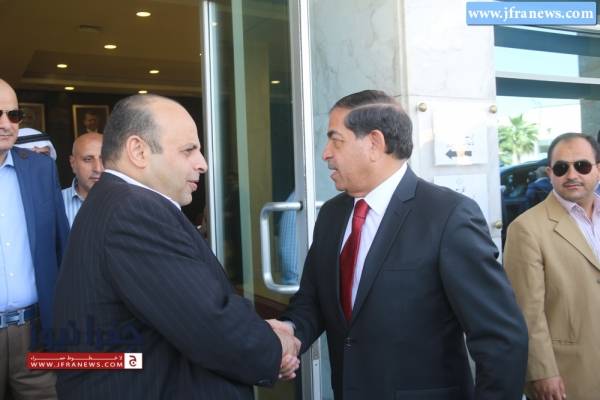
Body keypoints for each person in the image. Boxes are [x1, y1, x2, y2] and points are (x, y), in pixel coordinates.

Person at [270, 90, 528, 399]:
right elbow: (313, 300)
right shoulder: (331, 215)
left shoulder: (447, 216)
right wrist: (291, 331)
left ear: (374, 143)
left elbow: (500, 338)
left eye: (336, 141)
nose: (326, 153)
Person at [53, 94, 299, 400]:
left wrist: (260, 333)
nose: (203, 164)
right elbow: (207, 322)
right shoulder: (134, 211)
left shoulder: (115, 200)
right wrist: (276, 347)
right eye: (188, 150)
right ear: (138, 151)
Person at [504, 132, 600, 400]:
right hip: (568, 375)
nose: (572, 174)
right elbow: (526, 311)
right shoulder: (526, 229)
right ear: (549, 173)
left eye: (581, 165)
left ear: (598, 169)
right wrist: (541, 372)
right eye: (561, 168)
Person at [0, 79, 69, 398]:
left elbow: (61, 248)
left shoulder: (41, 170)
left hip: (36, 333)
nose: (6, 124)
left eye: (13, 115)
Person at [61, 132, 104, 226]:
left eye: (103, 158)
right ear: (73, 163)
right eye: (88, 159)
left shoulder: (128, 201)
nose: (98, 169)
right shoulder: (57, 203)